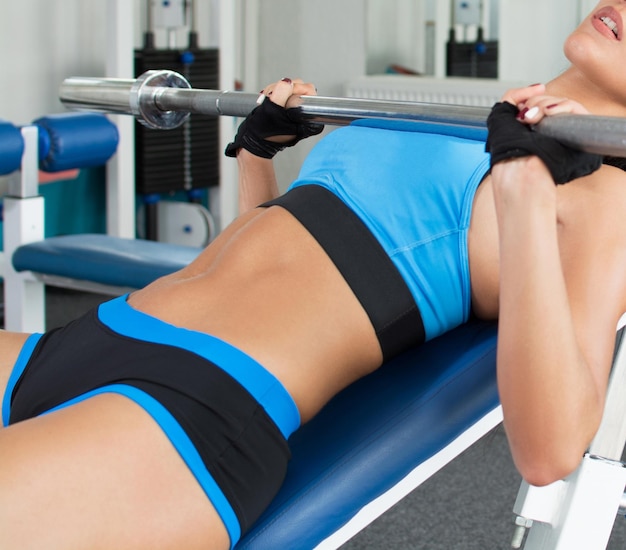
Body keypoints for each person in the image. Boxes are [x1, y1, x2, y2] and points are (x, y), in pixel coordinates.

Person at [2, 2, 626, 547]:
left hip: (188, 409)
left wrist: (524, 190)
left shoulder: (600, 196)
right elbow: (278, 270)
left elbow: (551, 450)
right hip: (87, 339)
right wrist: (256, 156)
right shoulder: (477, 119)